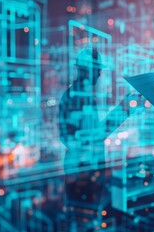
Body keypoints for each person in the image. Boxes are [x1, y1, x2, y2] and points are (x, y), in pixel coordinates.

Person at [59, 48, 138, 231]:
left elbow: (91, 135)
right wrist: (124, 109)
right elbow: (93, 136)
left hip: (84, 171)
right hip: (83, 173)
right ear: (87, 70)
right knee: (83, 222)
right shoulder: (78, 98)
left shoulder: (80, 96)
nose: (100, 74)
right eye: (97, 70)